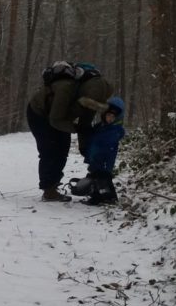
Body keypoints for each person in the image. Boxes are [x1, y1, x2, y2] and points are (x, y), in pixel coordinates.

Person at [27, 61, 113, 202]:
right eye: (89, 103)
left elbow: (84, 125)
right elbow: (55, 120)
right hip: (39, 114)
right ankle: (49, 189)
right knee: (50, 150)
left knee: (62, 150)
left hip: (61, 117)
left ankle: (53, 185)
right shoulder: (65, 88)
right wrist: (75, 128)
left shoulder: (93, 97)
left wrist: (85, 149)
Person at [80, 96, 125, 206]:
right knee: (97, 178)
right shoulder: (100, 127)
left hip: (104, 160)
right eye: (108, 115)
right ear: (104, 115)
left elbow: (105, 142)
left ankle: (107, 198)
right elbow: (93, 140)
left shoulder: (115, 130)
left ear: (117, 118)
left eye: (112, 117)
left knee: (103, 179)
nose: (109, 118)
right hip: (96, 158)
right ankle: (100, 197)